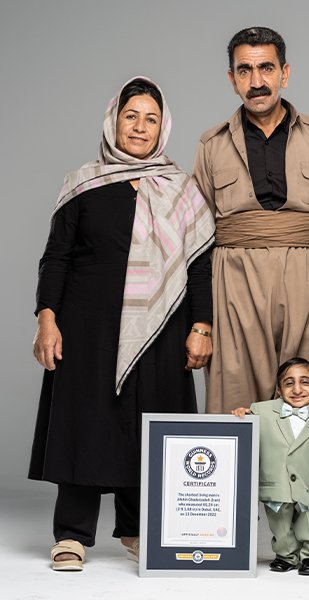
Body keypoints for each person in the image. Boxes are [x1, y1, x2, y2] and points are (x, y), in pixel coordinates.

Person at [29, 76, 215, 571]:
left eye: (151, 119)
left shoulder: (183, 189)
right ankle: (72, 535)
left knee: (150, 420)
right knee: (85, 420)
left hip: (163, 325)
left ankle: (136, 529)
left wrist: (203, 324)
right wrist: (47, 319)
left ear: (163, 127)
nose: (140, 126)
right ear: (114, 121)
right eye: (131, 116)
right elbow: (56, 258)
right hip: (87, 323)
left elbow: (200, 263)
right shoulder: (83, 182)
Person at [193, 26, 309, 567]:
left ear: (285, 72)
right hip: (234, 273)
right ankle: (219, 525)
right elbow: (197, 229)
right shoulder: (211, 145)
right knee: (235, 392)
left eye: (266, 68)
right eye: (245, 69)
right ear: (232, 78)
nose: (256, 81)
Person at [233, 357, 309, 575]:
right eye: (289, 383)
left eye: (305, 382)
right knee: (280, 526)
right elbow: (247, 430)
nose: (297, 389)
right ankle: (286, 556)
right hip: (276, 485)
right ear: (279, 391)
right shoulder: (262, 411)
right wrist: (242, 415)